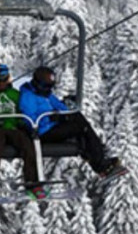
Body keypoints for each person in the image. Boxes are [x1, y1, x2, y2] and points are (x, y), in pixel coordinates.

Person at [18, 66, 123, 197]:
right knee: (80, 127)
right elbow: (30, 120)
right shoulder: (28, 96)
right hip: (43, 132)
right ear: (38, 83)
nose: (48, 89)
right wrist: (51, 117)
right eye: (46, 86)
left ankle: (99, 160)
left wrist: (63, 112)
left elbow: (60, 107)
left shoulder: (46, 94)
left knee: (78, 121)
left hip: (53, 126)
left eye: (50, 86)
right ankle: (100, 163)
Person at [0, 64, 38, 204]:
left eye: (6, 79)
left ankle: (32, 183)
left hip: (12, 127)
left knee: (28, 146)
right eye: (0, 80)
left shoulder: (15, 95)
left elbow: (22, 111)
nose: (3, 83)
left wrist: (23, 123)